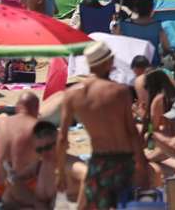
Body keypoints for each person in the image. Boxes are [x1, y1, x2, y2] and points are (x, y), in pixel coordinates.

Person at [60, 40, 149, 210]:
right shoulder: (119, 91)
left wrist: (60, 174)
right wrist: (141, 163)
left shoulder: (72, 95)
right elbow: (131, 132)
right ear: (108, 62)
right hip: (123, 162)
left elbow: (62, 138)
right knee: (124, 204)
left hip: (98, 162)